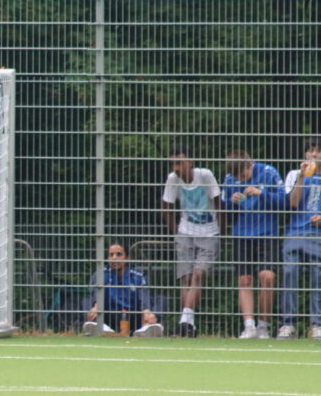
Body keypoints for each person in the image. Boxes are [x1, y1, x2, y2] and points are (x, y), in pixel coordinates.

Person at [161, 143, 223, 338]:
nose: (176, 168)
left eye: (179, 163)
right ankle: (189, 323)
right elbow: (165, 208)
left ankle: (185, 320)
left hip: (209, 232)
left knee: (199, 274)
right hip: (185, 231)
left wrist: (220, 232)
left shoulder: (205, 175)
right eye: (173, 163)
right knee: (185, 278)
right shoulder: (172, 179)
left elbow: (219, 203)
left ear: (190, 162)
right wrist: (177, 234)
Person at [221, 149, 285, 339]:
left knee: (267, 277)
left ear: (250, 165)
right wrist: (231, 202)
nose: (241, 180)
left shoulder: (269, 172)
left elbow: (285, 202)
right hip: (241, 234)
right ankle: (249, 326)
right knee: (244, 280)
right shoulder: (229, 179)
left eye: (243, 175)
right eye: (237, 178)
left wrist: (261, 193)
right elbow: (225, 211)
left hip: (267, 233)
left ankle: (264, 326)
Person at [277, 138, 321, 340]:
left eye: (318, 151)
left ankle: (317, 324)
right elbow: (292, 203)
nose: (314, 155)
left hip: (318, 234)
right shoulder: (294, 174)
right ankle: (288, 324)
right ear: (305, 154)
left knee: (318, 275)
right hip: (295, 231)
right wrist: (302, 177)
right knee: (289, 272)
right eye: (311, 150)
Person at [81, 242, 163, 337]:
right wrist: (96, 306)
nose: (114, 258)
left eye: (119, 254)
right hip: (107, 315)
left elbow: (144, 294)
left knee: (161, 299)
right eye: (111, 255)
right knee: (86, 301)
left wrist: (146, 310)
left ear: (127, 258)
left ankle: (147, 328)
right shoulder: (100, 273)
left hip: (134, 316)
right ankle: (99, 326)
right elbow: (96, 292)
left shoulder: (138, 275)